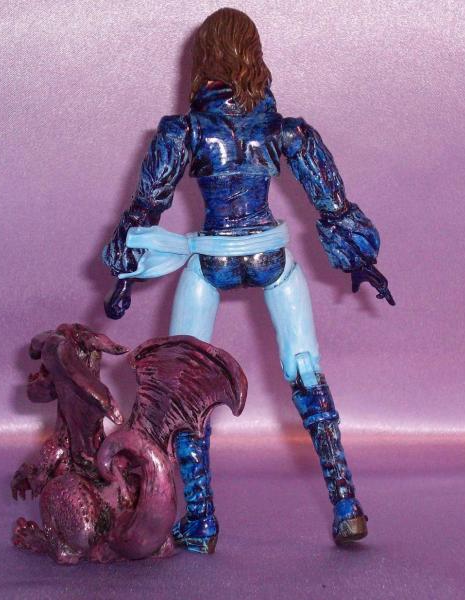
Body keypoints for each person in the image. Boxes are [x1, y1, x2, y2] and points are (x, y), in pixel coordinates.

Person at [102, 8, 394, 553]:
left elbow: (145, 209)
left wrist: (123, 274)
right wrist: (359, 257)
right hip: (269, 258)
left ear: (204, 58)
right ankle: (347, 504)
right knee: (306, 372)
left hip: (211, 260)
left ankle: (202, 519)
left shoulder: (185, 131)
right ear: (253, 55)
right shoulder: (283, 129)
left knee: (183, 386)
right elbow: (331, 201)